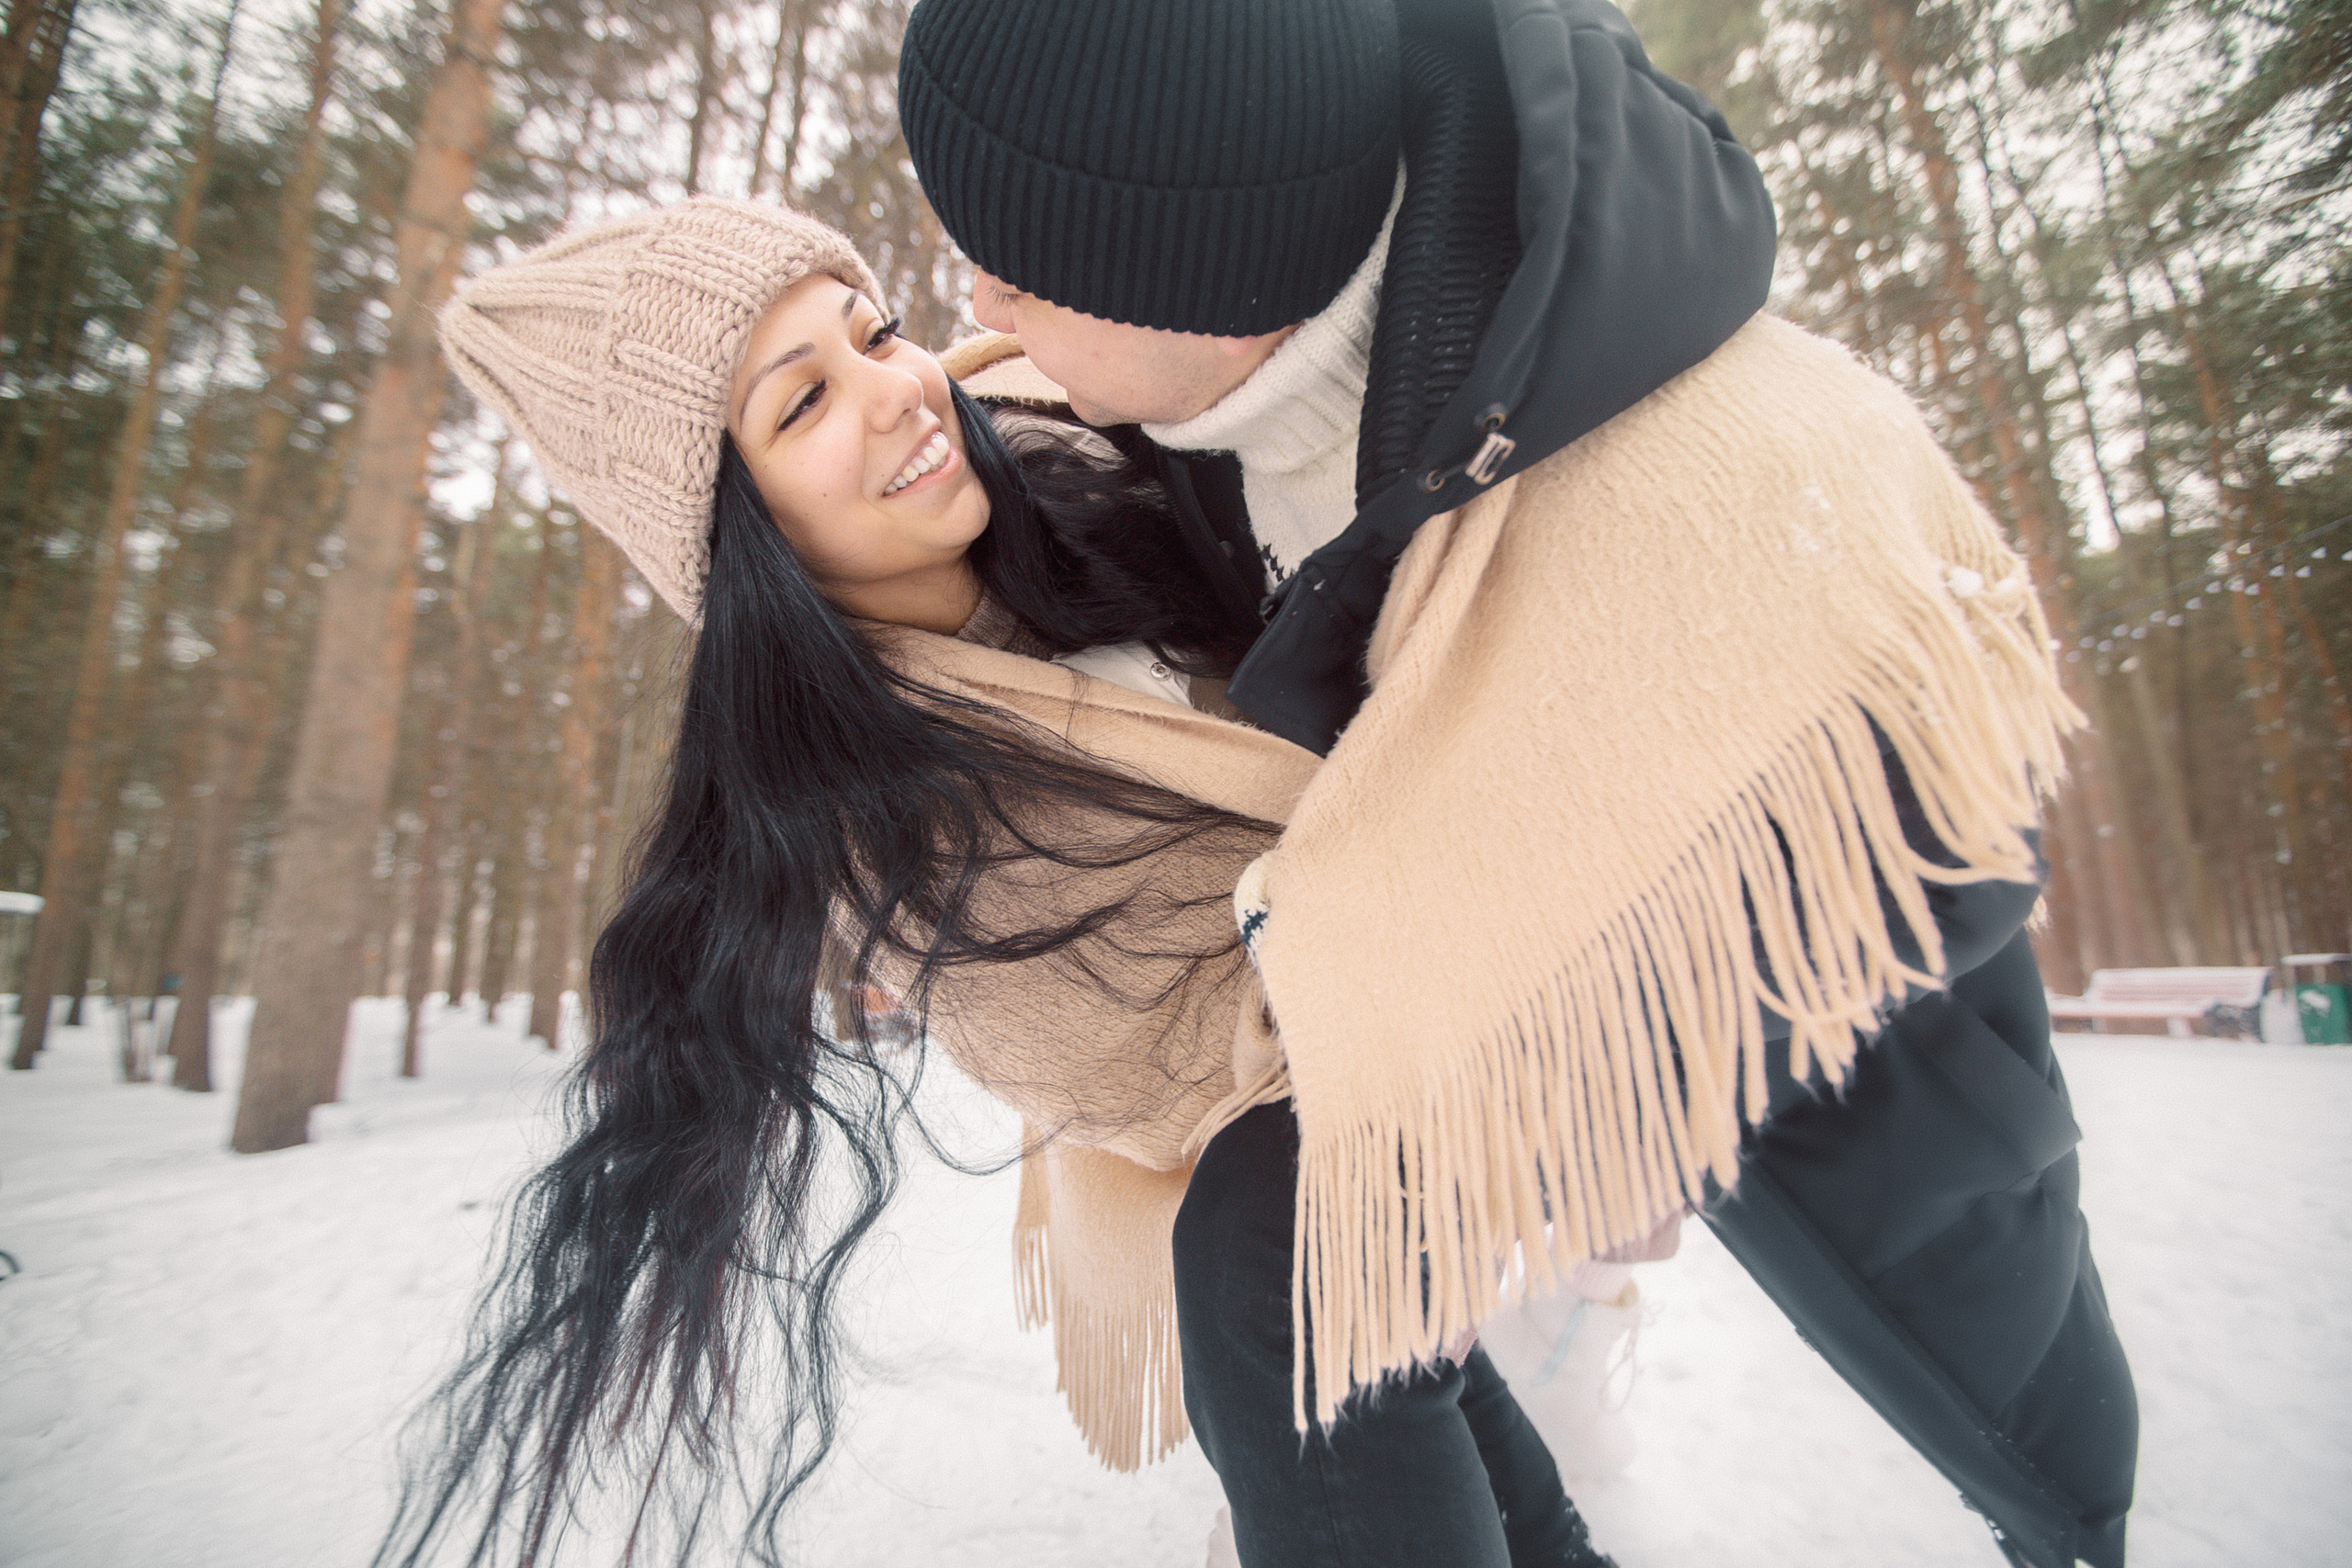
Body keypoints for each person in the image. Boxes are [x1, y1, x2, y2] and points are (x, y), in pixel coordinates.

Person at [894, 3, 2138, 1568]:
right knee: (1282, 1274)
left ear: (1201, 294)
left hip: (1765, 932)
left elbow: (1938, 858)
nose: (977, 300)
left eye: (1019, 265)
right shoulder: (1190, 377)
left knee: (1981, 1340)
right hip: (1454, 965)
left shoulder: (1718, 492)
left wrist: (1635, 1063)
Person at [393, 197, 1613, 1566]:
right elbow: (1145, 1063)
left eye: (876, 335)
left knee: (1323, 1310)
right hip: (1348, 1065)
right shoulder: (891, 832)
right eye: (804, 407)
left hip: (1556, 822)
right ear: (742, 543)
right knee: (1284, 1280)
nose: (902, 395)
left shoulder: (1079, 414)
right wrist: (1420, 1132)